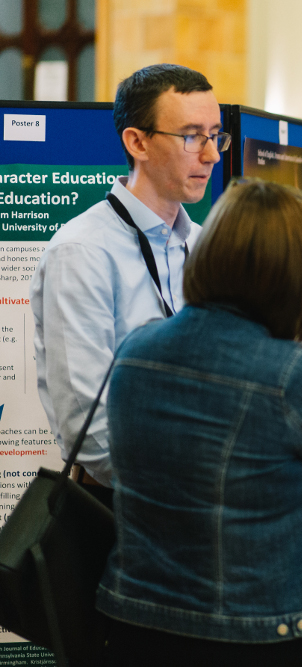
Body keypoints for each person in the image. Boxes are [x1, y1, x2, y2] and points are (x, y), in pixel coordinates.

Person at [96, 180, 302, 667]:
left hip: (140, 619)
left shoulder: (135, 351)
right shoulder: (295, 375)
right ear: (287, 275)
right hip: (266, 631)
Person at [30, 64, 224, 506]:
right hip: (124, 507)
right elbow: (90, 428)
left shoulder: (202, 245)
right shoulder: (82, 253)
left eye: (216, 135)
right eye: (193, 136)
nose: (211, 155)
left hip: (203, 505)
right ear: (138, 142)